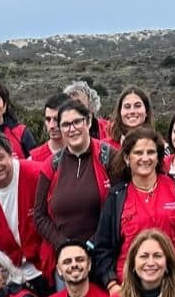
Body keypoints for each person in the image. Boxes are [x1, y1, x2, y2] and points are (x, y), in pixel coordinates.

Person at [93, 127, 175, 290]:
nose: (145, 158)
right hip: (130, 287)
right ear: (126, 158)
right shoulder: (116, 196)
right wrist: (111, 285)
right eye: (138, 153)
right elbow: (103, 248)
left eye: (151, 152)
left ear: (158, 157)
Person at [32, 98, 116, 258]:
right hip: (66, 258)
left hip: (104, 254)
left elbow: (119, 208)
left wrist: (92, 244)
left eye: (77, 122)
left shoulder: (108, 156)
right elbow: (40, 216)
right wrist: (65, 246)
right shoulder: (51, 165)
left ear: (88, 121)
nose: (72, 129)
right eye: (65, 124)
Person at [0, 130, 50, 292]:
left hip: (45, 266)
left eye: (0, 157)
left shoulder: (38, 174)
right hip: (10, 274)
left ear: (11, 154)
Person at [29, 94, 66, 164]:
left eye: (57, 119)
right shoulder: (33, 159)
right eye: (48, 119)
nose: (51, 126)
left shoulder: (84, 154)